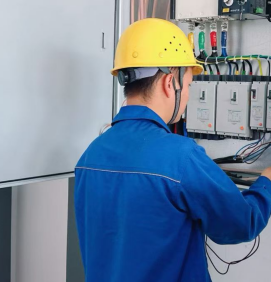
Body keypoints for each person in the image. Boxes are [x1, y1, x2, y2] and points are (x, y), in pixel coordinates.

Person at [74, 18, 271, 282]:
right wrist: (267, 181)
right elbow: (241, 224)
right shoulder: (180, 157)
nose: (187, 95)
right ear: (170, 82)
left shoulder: (90, 155)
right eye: (188, 85)